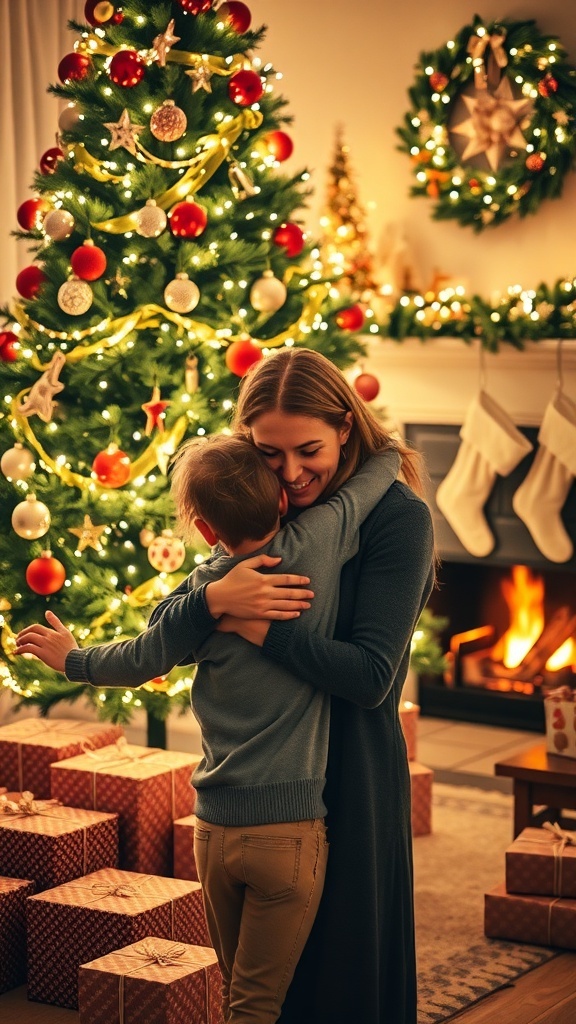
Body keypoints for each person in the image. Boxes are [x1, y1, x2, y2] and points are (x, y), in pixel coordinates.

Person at [15, 430, 399, 1024]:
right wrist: (376, 441)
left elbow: (145, 653)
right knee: (257, 1004)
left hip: (214, 831)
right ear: (280, 500)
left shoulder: (201, 594)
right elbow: (370, 485)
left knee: (231, 990)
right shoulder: (318, 543)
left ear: (202, 528)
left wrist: (73, 658)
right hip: (289, 832)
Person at [148, 348, 436, 1024]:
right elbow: (179, 628)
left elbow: (370, 678)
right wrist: (217, 601)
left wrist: (259, 629)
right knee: (260, 985)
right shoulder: (256, 505)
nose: (290, 473)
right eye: (268, 453)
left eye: (308, 450)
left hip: (351, 775)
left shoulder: (397, 519)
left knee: (342, 984)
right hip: (261, 780)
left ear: (343, 425)